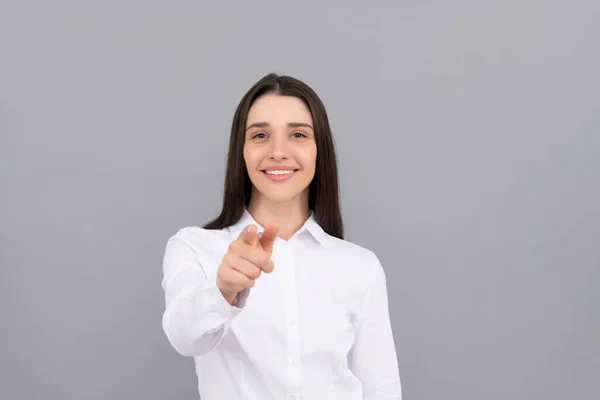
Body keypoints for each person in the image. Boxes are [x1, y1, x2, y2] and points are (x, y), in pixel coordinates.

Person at [161, 73, 402, 399]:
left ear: (320, 151)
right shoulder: (195, 247)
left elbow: (380, 389)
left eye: (298, 135)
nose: (278, 152)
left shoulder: (360, 266)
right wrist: (223, 289)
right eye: (260, 135)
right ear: (241, 151)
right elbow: (185, 337)